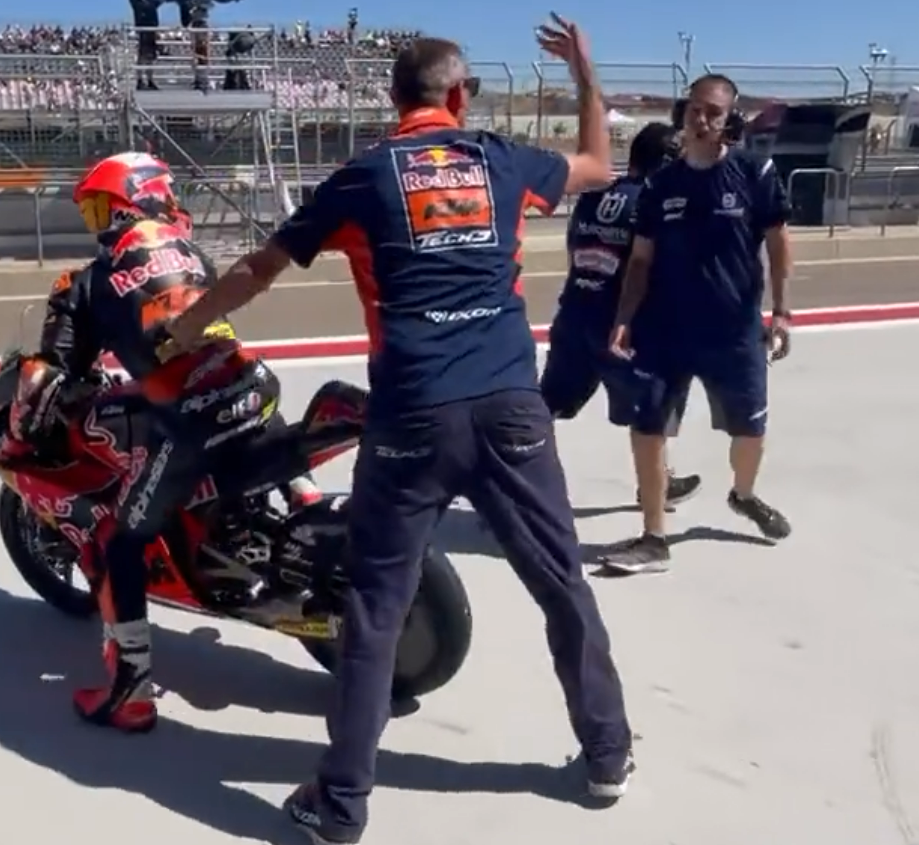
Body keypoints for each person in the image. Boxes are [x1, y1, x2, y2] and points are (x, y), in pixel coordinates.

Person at [160, 17, 635, 845]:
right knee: (561, 583)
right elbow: (599, 164)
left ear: (393, 100)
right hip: (509, 407)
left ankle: (340, 805)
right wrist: (585, 73)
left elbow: (257, 270)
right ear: (457, 95)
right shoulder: (501, 159)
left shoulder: (362, 177)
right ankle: (606, 753)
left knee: (375, 608)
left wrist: (184, 331)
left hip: (411, 412)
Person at [9, 151, 319, 732]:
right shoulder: (192, 253)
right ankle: (307, 501)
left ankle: (131, 692)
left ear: (130, 199)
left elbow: (55, 369)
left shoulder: (89, 280)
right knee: (252, 406)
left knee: (119, 541)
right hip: (252, 385)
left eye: (101, 206)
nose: (97, 222)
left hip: (188, 420)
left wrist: (50, 390)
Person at [599, 72, 794, 574]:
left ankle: (743, 494)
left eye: (714, 112)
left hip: (734, 332)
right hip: (667, 330)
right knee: (648, 428)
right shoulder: (661, 186)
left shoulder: (756, 173)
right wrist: (624, 318)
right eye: (695, 110)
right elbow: (640, 260)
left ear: (730, 119)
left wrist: (783, 312)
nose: (702, 119)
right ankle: (653, 537)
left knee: (749, 432)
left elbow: (777, 244)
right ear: (683, 114)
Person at [539, 120, 704, 520]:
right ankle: (654, 486)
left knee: (544, 409)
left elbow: (575, 247)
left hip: (576, 313)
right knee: (655, 409)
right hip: (624, 328)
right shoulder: (657, 206)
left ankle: (508, 484)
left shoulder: (595, 197)